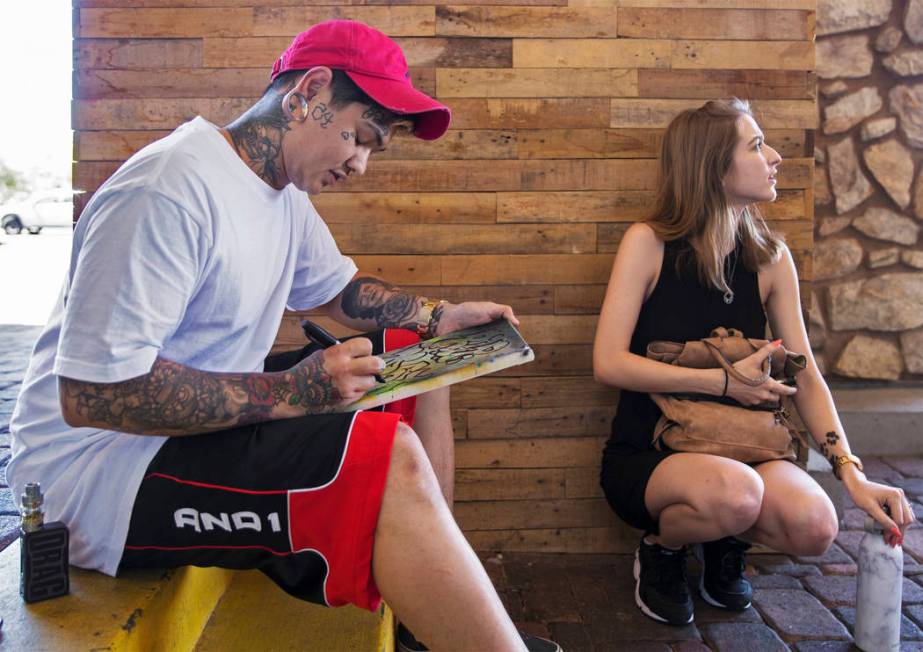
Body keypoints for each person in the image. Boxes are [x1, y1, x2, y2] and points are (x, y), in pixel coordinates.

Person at [8, 20, 561, 652]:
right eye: (359, 136)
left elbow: (340, 292)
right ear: (310, 92)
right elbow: (94, 395)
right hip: (98, 474)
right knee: (389, 457)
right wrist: (294, 393)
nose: (361, 162)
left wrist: (438, 318)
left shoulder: (281, 192)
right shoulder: (167, 189)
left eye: (375, 148)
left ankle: (424, 617)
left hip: (184, 436)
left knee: (417, 356)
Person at [593, 99, 916, 626]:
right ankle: (662, 549)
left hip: (746, 449)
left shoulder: (770, 257)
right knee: (737, 494)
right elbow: (607, 363)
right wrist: (722, 382)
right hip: (653, 451)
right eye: (756, 144)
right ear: (714, 167)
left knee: (816, 525)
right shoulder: (648, 243)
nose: (776, 156)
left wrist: (852, 474)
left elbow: (805, 373)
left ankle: (724, 541)